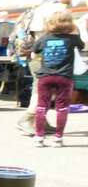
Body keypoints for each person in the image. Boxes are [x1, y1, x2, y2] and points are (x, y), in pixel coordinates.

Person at [13, 0, 83, 133]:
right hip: (50, 58)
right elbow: (46, 35)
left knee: (42, 90)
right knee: (44, 92)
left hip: (41, 56)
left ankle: (40, 121)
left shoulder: (43, 5)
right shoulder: (55, 8)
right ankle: (27, 119)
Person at [24, 11, 86, 146]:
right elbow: (83, 47)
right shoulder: (73, 39)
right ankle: (58, 138)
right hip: (64, 77)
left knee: (41, 107)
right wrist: (76, 31)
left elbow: (34, 55)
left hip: (45, 77)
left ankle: (39, 137)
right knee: (62, 108)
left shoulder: (44, 39)